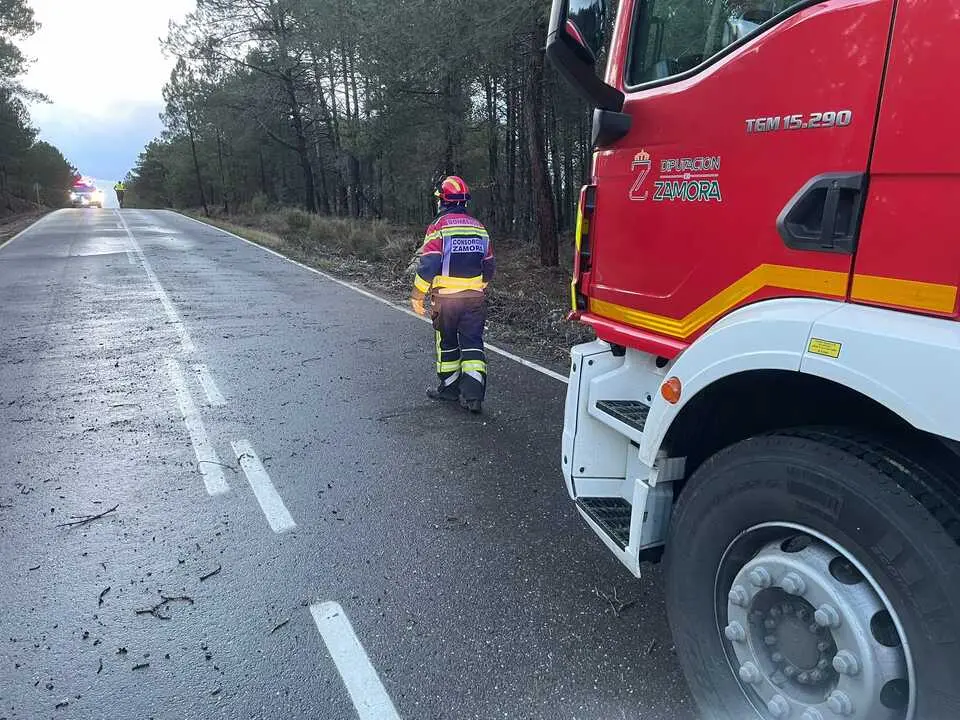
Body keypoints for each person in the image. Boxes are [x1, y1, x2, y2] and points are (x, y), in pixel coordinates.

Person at [410, 176, 495, 413]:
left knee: (447, 344)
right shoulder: (479, 227)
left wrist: (417, 295)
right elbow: (489, 265)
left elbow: (428, 264)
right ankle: (474, 397)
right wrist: (480, 285)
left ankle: (448, 390)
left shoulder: (438, 227)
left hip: (446, 301)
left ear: (443, 201)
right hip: (474, 300)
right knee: (473, 345)